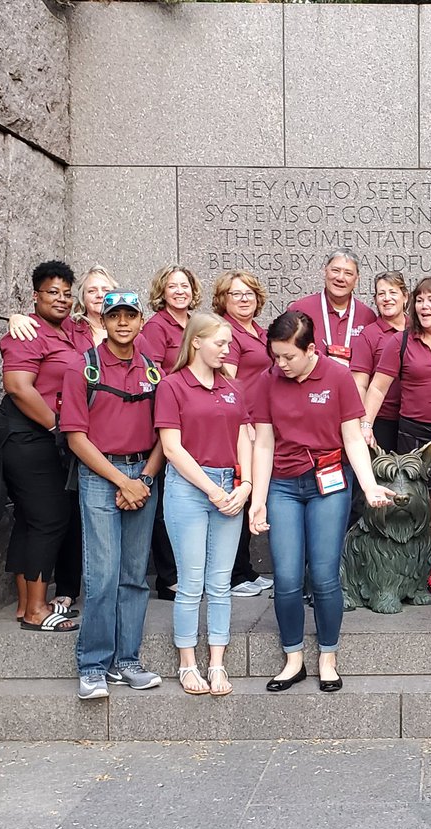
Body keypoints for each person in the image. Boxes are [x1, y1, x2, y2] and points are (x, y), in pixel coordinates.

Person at [248, 311, 394, 694]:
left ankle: (327, 656)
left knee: (326, 574)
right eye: (275, 356)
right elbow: (263, 443)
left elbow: (352, 439)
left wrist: (370, 484)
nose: (280, 364)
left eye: (288, 357)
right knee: (287, 576)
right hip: (283, 484)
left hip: (329, 482)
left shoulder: (338, 377)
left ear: (310, 348)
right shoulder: (268, 380)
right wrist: (258, 500)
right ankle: (293, 658)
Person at [60, 291, 165, 699]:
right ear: (103, 321)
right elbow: (75, 437)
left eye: (130, 316)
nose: (123, 322)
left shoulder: (153, 371)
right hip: (100, 474)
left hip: (144, 473)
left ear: (141, 321)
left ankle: (127, 661)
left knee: (134, 576)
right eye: (115, 315)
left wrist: (144, 478)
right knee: (102, 575)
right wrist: (122, 482)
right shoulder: (81, 367)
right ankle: (92, 665)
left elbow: (165, 434)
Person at [154, 311, 252, 697]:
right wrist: (212, 489)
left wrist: (244, 485)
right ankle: (187, 664)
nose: (227, 350)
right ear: (196, 342)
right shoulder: (173, 386)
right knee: (191, 582)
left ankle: (217, 662)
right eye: (221, 343)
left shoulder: (232, 386)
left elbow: (245, 435)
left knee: (221, 583)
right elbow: (172, 448)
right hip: (190, 489)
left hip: (229, 486)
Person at [363, 276, 431, 605]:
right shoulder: (399, 342)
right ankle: (428, 570)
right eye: (420, 300)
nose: (424, 306)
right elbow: (378, 387)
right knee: (422, 507)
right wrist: (366, 424)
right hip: (414, 436)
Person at [0, 260, 83, 632]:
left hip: (46, 436)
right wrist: (57, 427)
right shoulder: (28, 332)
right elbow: (17, 386)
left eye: (67, 293)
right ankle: (36, 611)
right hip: (27, 436)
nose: (61, 299)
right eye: (52, 292)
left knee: (32, 521)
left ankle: (27, 605)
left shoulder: (68, 332)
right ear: (36, 295)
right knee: (49, 519)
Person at [138, 265, 202, 604]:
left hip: (197, 422)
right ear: (161, 292)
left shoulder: (196, 324)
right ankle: (169, 577)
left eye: (185, 286)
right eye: (172, 286)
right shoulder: (155, 327)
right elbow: (153, 374)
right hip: (170, 419)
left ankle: (192, 573)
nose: (180, 291)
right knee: (167, 503)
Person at [212, 270, 273, 600]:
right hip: (242, 427)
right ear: (223, 300)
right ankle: (232, 575)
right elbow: (229, 382)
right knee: (238, 496)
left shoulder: (259, 333)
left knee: (250, 496)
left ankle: (246, 569)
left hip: (261, 423)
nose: (244, 298)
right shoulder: (230, 334)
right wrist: (244, 422)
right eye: (235, 294)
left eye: (249, 292)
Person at [287, 248, 377, 367]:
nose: (340, 278)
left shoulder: (368, 316)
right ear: (325, 271)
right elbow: (286, 354)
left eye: (348, 273)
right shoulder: (299, 310)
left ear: (356, 280)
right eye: (335, 270)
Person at [351, 271, 408, 452]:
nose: (387, 298)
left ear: (405, 297)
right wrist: (364, 423)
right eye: (381, 294)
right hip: (381, 420)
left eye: (393, 292)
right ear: (375, 300)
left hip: (412, 421)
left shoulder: (419, 328)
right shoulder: (369, 334)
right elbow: (360, 385)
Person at [7, 264, 116, 352]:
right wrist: (16, 318)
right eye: (92, 291)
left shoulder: (130, 327)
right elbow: (41, 323)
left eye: (106, 290)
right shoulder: (69, 326)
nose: (100, 295)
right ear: (83, 297)